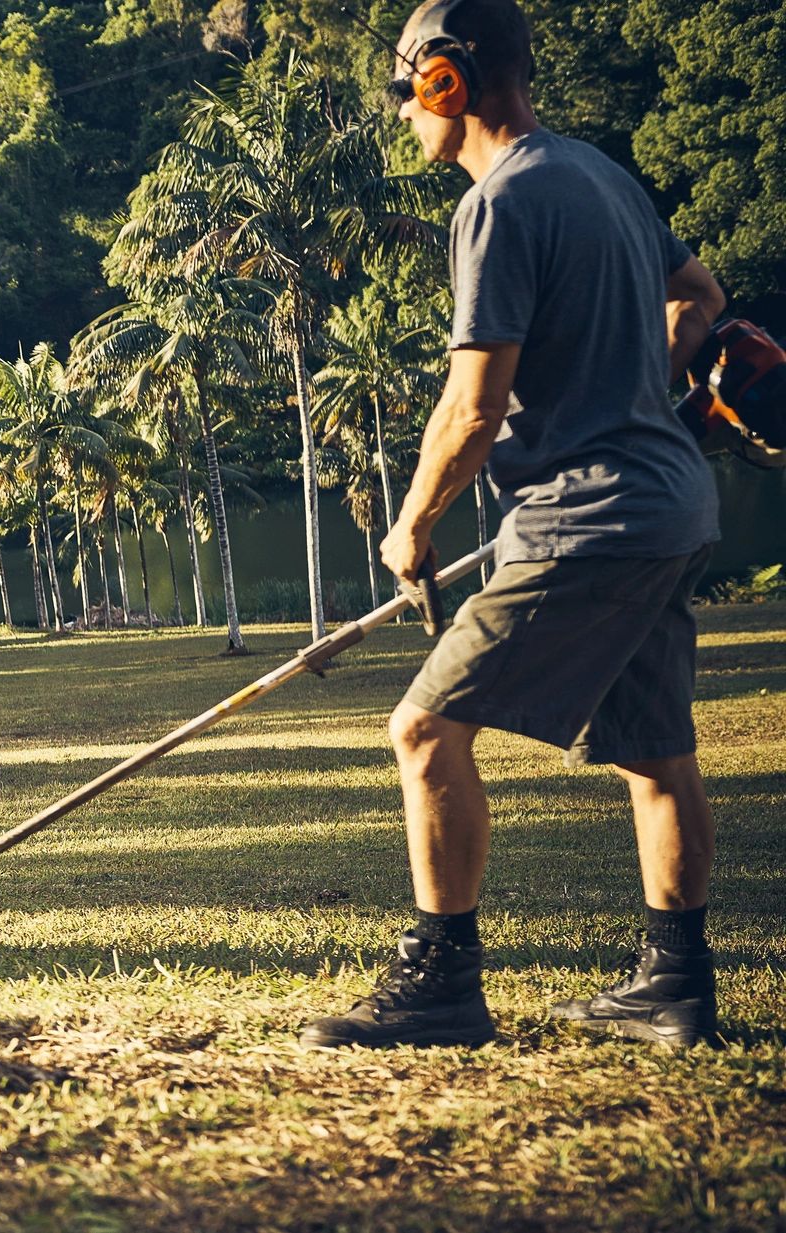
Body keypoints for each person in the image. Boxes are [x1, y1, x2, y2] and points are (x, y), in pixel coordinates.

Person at [302, 0, 729, 1050]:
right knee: (653, 749)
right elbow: (698, 293)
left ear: (445, 80)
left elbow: (472, 405)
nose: (402, 109)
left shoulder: (497, 202)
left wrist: (411, 525)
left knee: (423, 731)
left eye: (405, 86)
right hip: (667, 505)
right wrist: (632, 387)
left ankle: (441, 985)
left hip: (586, 518)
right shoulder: (597, 175)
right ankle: (675, 984)